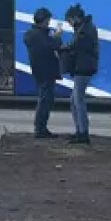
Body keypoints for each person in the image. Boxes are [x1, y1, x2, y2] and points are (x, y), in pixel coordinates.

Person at [61, 4, 99, 145]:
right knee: (74, 100)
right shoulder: (85, 27)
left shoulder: (85, 30)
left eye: (69, 21)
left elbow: (76, 44)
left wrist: (63, 47)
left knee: (78, 101)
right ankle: (80, 131)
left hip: (84, 68)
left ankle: (83, 134)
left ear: (76, 18)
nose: (69, 24)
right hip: (83, 67)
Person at [23, 7, 64, 138]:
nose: (48, 23)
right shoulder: (38, 35)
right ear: (44, 20)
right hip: (45, 71)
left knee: (45, 99)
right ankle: (40, 129)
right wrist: (57, 36)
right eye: (48, 20)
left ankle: (41, 127)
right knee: (45, 100)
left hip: (40, 71)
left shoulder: (32, 34)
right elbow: (52, 46)